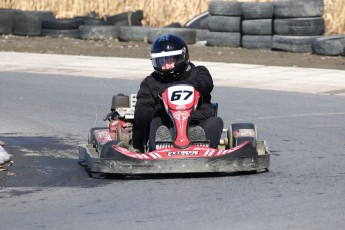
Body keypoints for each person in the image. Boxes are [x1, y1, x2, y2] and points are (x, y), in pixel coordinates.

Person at [132, 34, 223, 152]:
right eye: (161, 61)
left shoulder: (198, 72)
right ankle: (161, 147)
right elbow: (140, 112)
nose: (165, 66)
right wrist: (161, 112)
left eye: (169, 60)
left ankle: (200, 144)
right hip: (166, 124)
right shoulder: (150, 82)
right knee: (156, 122)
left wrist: (189, 86)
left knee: (215, 122)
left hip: (197, 120)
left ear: (181, 57)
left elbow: (206, 83)